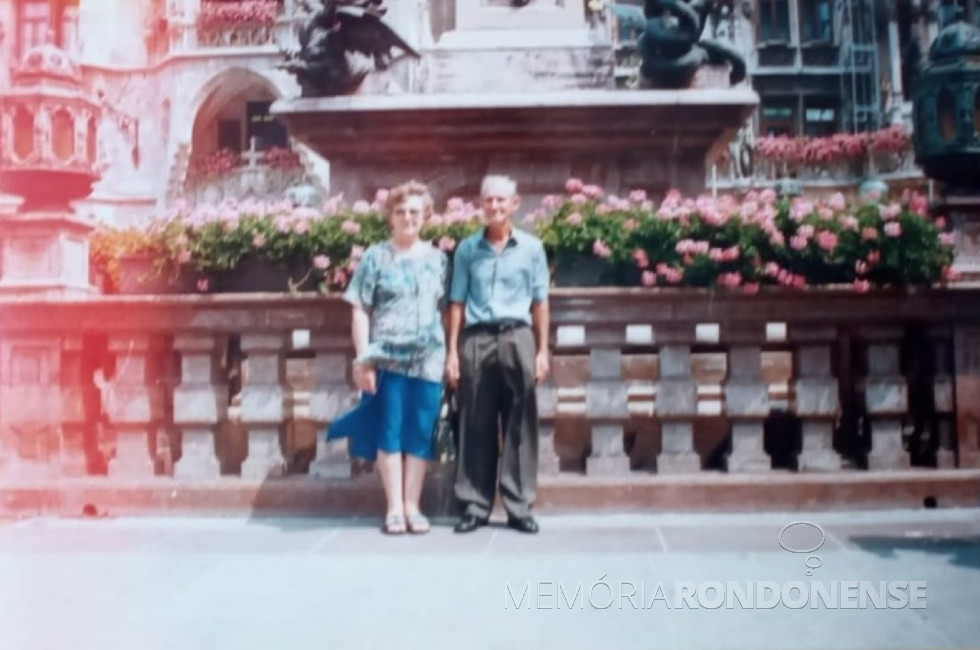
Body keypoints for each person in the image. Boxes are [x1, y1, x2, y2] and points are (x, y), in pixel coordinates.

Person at [327, 181, 448, 535]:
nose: (407, 217)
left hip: (428, 360)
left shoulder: (439, 259)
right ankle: (394, 506)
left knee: (420, 433)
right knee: (390, 430)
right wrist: (364, 360)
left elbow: (444, 309)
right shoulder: (376, 257)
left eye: (414, 211)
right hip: (387, 358)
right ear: (390, 217)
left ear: (425, 216)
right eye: (400, 212)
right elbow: (360, 309)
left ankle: (413, 505)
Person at [445, 175, 551, 535]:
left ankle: (519, 506)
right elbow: (456, 302)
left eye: (501, 201)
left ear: (515, 204)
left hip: (517, 337)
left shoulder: (532, 248)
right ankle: (475, 505)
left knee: (520, 423)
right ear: (481, 203)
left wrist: (542, 350)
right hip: (476, 340)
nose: (494, 206)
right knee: (475, 421)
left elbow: (540, 302)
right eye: (488, 200)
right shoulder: (466, 250)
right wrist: (452, 353)